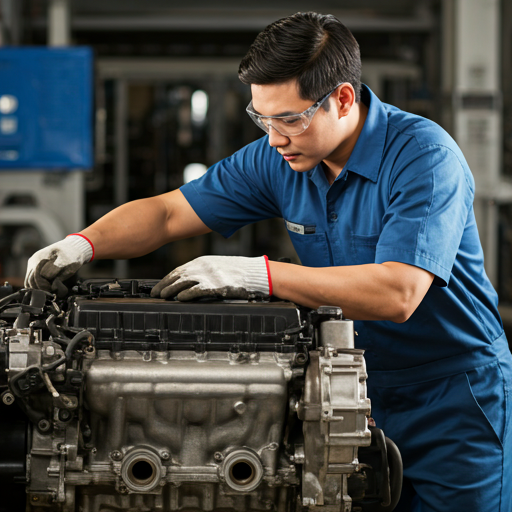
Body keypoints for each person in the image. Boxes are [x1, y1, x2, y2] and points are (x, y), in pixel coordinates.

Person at [24, 12, 511, 512]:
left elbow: (398, 292)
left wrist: (260, 274)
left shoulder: (424, 157)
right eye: (263, 118)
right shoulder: (278, 158)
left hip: (452, 395)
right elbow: (169, 213)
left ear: (342, 99)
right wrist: (82, 243)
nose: (275, 137)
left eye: (290, 118)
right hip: (354, 384)